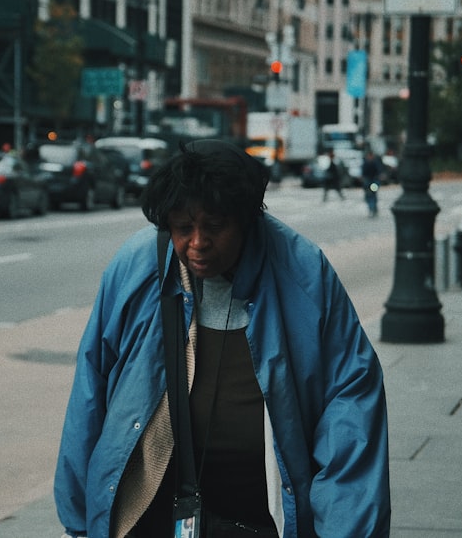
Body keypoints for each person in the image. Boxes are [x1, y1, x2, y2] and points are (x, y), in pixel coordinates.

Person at [55, 139, 390, 538]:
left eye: (214, 226)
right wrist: (78, 525)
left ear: (247, 220)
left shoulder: (303, 271)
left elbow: (350, 412)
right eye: (183, 228)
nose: (197, 243)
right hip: (148, 514)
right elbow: (90, 394)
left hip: (260, 517)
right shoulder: (135, 267)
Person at [361, 149, 382, 217]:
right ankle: (372, 209)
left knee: (372, 195)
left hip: (373, 182)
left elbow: (379, 172)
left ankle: (373, 208)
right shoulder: (366, 163)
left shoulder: (374, 163)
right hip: (369, 182)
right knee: (370, 195)